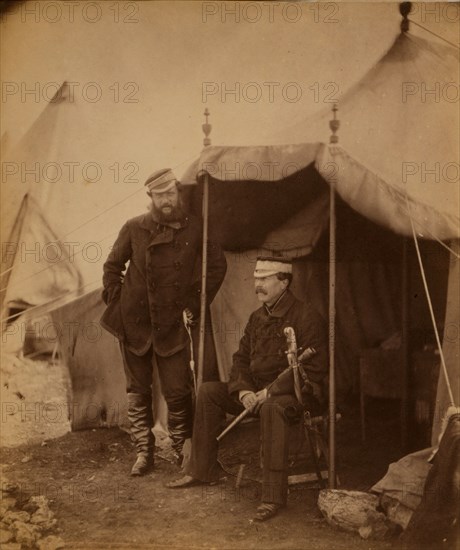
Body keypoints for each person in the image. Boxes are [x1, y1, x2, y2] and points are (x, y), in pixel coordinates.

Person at [167, 256, 327, 522]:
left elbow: (315, 369)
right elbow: (240, 359)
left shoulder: (306, 315)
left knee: (274, 407)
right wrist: (244, 392)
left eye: (264, 279)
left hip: (296, 397)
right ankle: (201, 470)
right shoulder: (256, 318)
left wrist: (271, 392)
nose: (257, 285)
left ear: (284, 282)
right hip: (255, 394)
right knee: (208, 391)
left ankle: (273, 496)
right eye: (256, 278)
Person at [101, 168, 227, 476]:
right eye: (160, 195)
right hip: (135, 324)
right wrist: (119, 303)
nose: (166, 200)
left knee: (178, 390)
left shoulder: (196, 228)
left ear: (178, 193)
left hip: (173, 323)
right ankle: (144, 453)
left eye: (170, 193)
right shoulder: (134, 228)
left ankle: (179, 448)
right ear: (151, 198)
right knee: (137, 389)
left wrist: (195, 301)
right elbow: (112, 266)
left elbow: (216, 265)